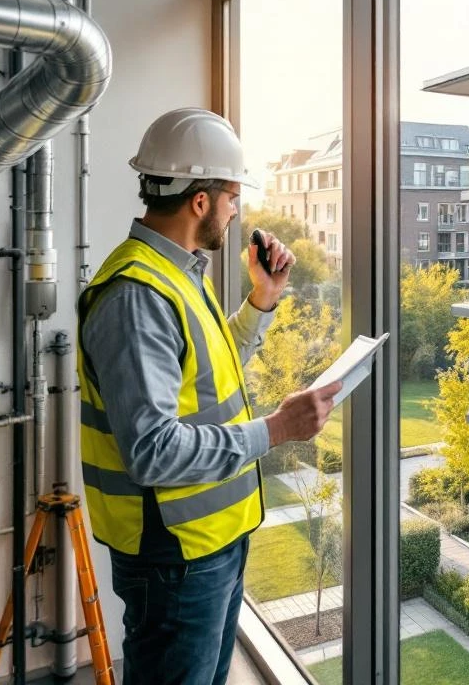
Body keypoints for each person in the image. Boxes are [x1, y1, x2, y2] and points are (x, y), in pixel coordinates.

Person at [77, 107, 341, 685]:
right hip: (177, 561)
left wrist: (263, 299)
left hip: (208, 547)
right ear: (200, 201)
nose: (236, 210)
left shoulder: (175, 274)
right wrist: (277, 429)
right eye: (231, 197)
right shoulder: (137, 296)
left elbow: (208, 376)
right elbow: (152, 451)